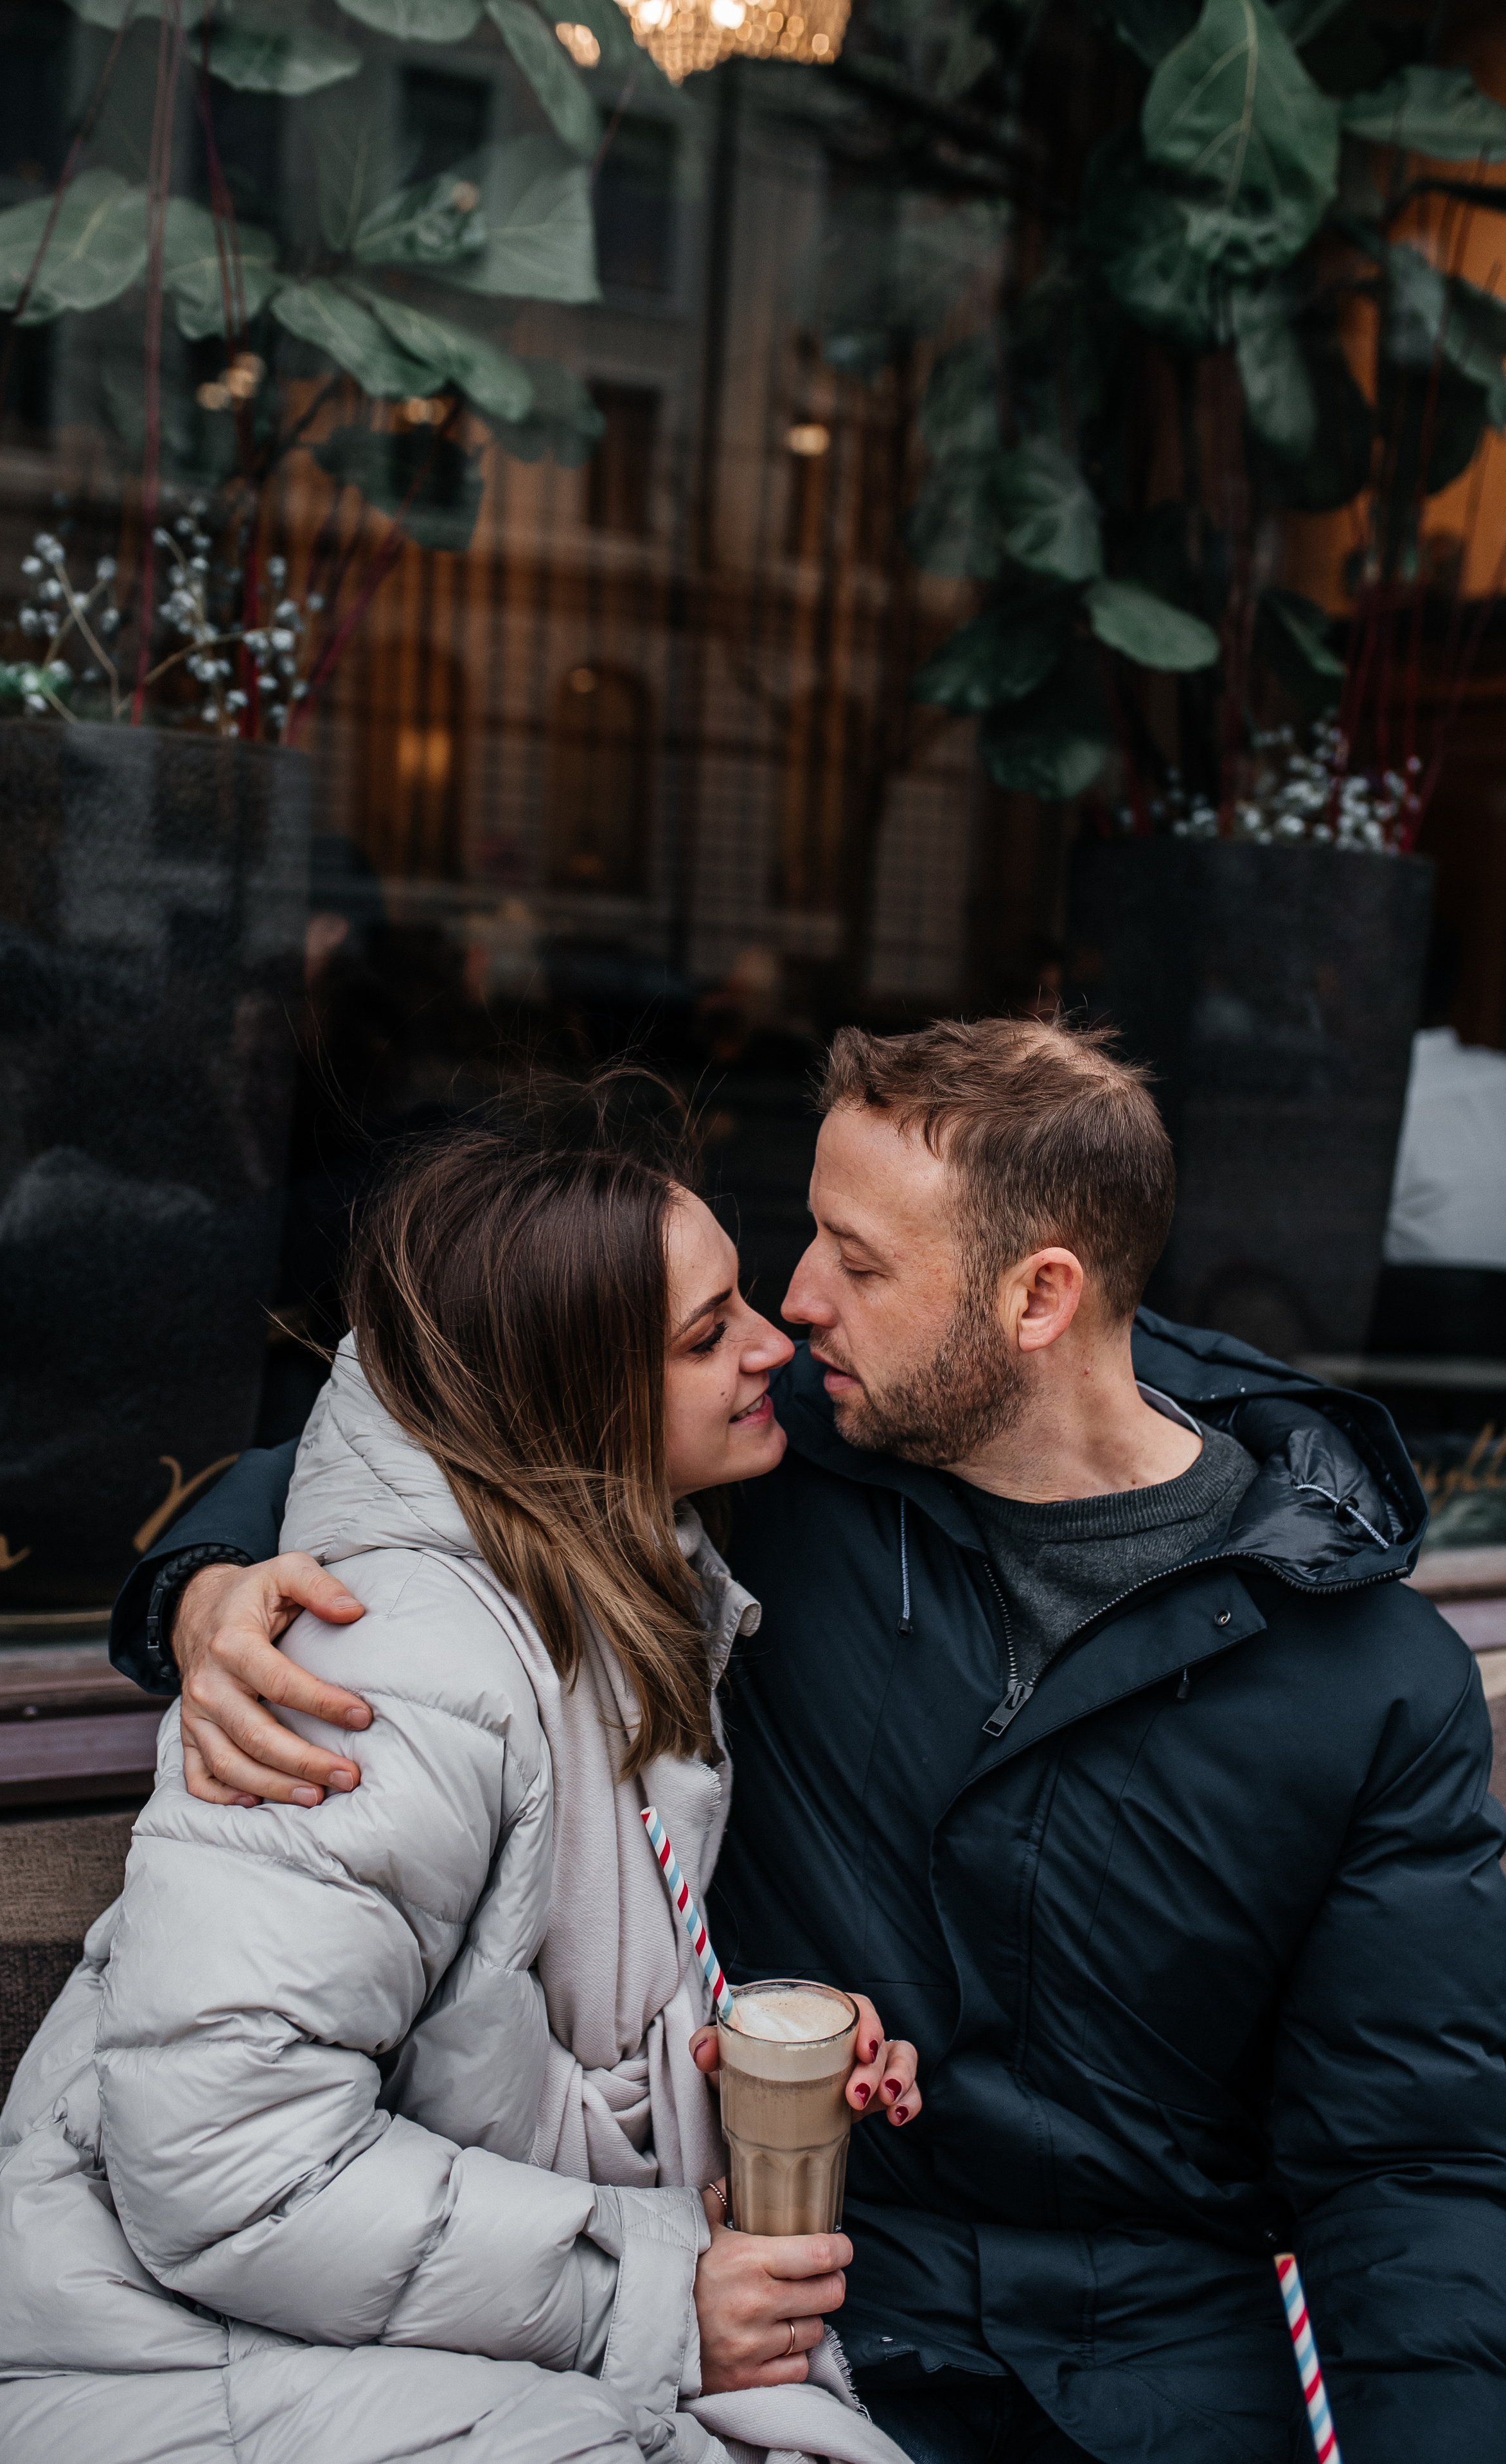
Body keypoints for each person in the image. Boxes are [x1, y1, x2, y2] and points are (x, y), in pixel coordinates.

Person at [128, 1014, 1506, 2464]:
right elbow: (443, 1419)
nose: (793, 1306)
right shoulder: (774, 1447)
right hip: (800, 2317)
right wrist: (207, 1585)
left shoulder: (1365, 1677)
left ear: (1036, 1299)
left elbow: (1410, 2160)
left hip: (1163, 2364)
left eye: (856, 1262)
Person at [0, 1108, 925, 2464]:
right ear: (564, 1398)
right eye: (705, 1335)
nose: (774, 1342)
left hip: (338, 2331)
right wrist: (646, 2294)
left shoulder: (603, 1581)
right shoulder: (383, 1677)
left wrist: (726, 2050)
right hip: (150, 2365)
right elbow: (226, 2169)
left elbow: (493, 2029)